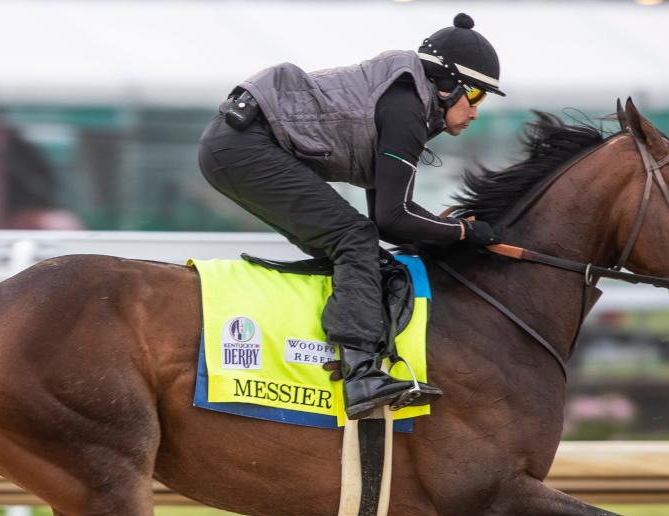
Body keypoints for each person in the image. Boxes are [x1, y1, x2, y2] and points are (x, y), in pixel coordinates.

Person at [198, 13, 503, 418]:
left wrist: (453, 233)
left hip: (236, 146)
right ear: (447, 86)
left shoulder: (407, 100)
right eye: (477, 97)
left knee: (364, 248)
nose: (476, 112)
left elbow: (392, 215)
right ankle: (361, 374)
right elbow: (393, 220)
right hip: (242, 148)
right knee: (354, 239)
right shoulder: (406, 110)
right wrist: (464, 233)